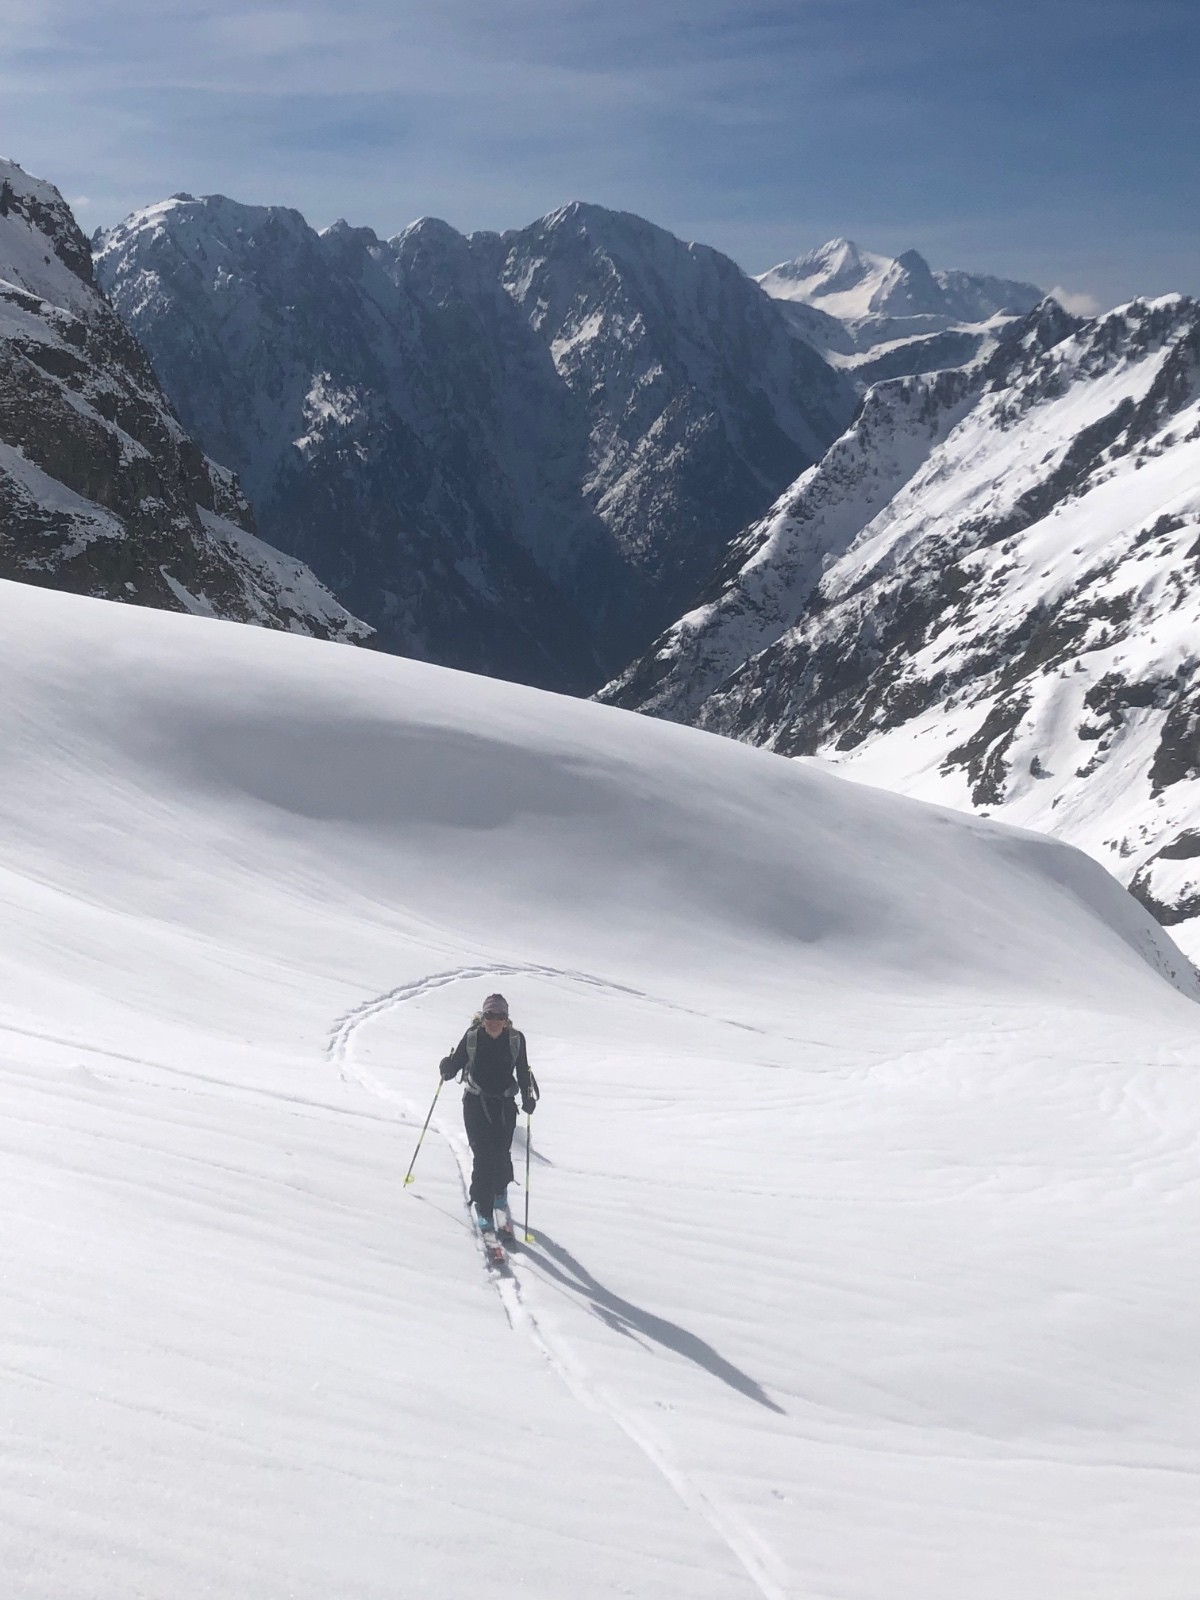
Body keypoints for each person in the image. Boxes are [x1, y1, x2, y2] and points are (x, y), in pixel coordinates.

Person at [440, 992, 538, 1237]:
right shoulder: (473, 1037)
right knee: (483, 1157)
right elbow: (457, 1062)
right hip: (475, 1104)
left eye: (499, 1015)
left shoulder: (516, 1039)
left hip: (504, 1106)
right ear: (483, 1017)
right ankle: (483, 1207)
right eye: (490, 1015)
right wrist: (447, 1067)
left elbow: (523, 1071)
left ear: (507, 1019)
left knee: (501, 1154)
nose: (494, 1020)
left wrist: (527, 1097)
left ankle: (499, 1192)